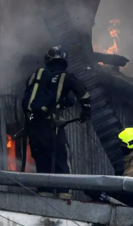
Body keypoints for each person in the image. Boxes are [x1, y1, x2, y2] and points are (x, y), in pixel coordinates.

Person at [22, 45, 91, 199]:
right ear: (64, 61)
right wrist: (86, 109)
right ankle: (63, 192)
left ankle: (44, 191)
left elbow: (45, 98)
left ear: (47, 60)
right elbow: (82, 90)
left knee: (42, 158)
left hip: (35, 127)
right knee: (61, 155)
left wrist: (66, 102)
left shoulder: (38, 78)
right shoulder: (66, 77)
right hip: (53, 126)